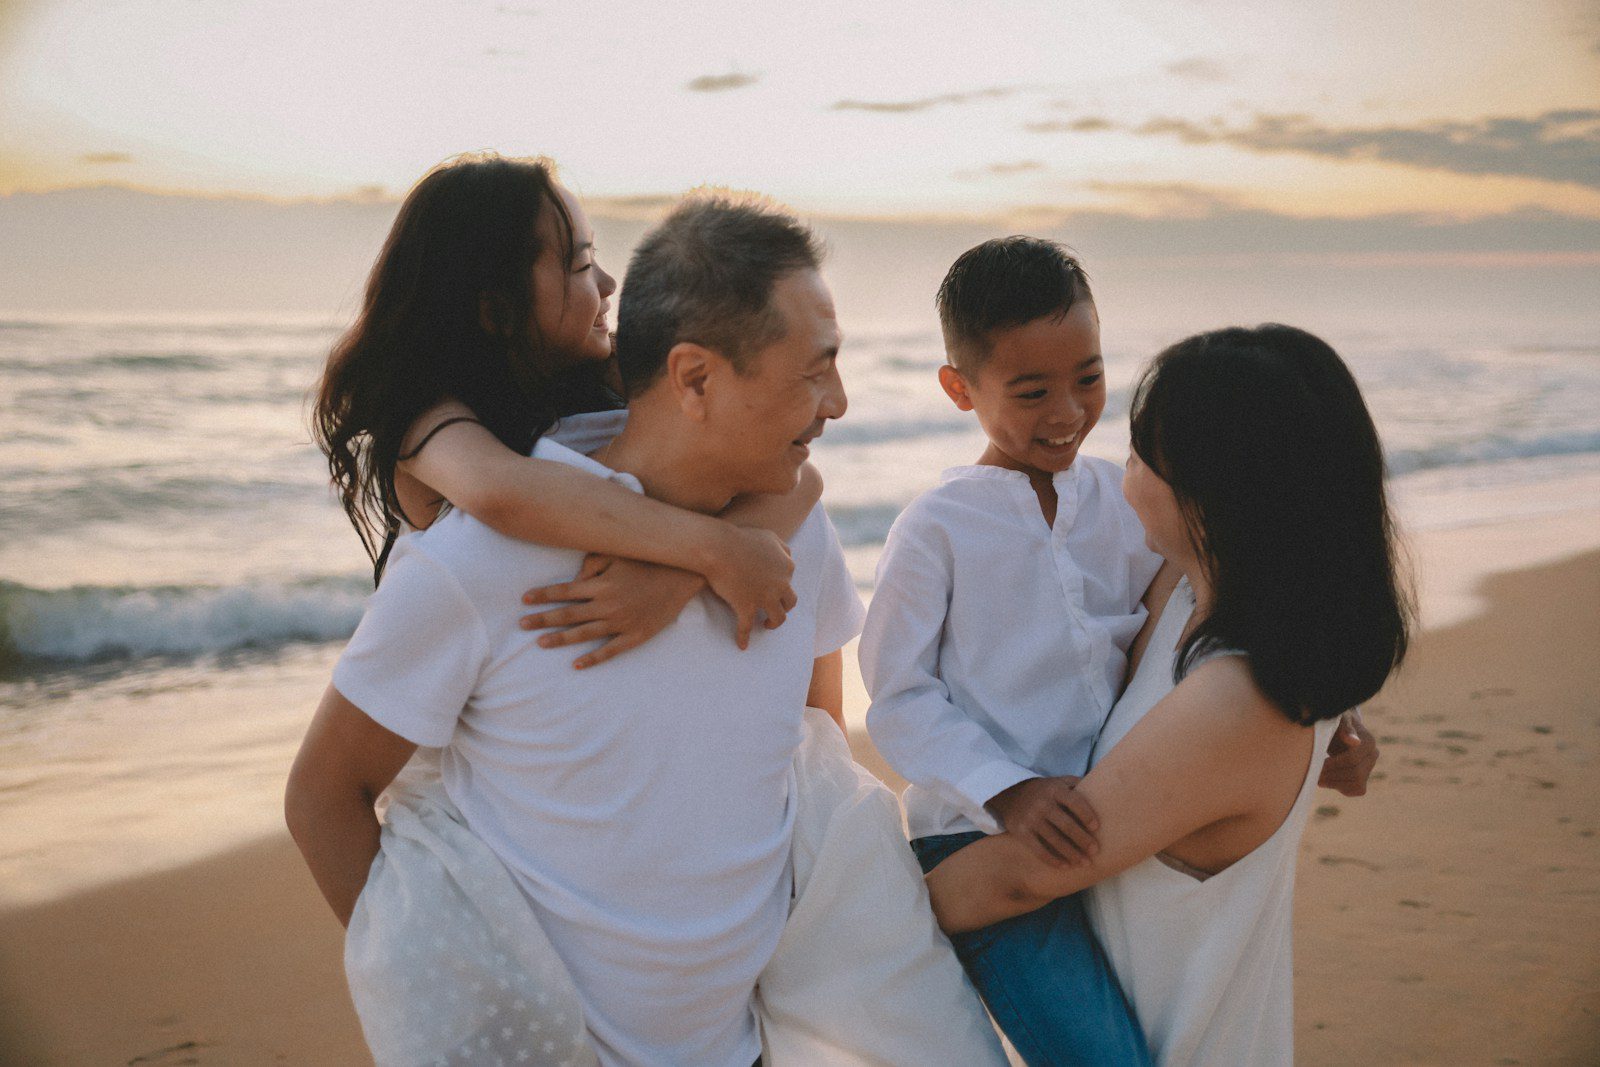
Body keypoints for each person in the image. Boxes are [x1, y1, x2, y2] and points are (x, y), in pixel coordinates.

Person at [288, 195, 1005, 1066]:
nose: (841, 403)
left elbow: (808, 750)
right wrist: (441, 987)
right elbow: (324, 796)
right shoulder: (478, 556)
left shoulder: (790, 531)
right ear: (695, 378)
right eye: (814, 371)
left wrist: (686, 569)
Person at [862, 238, 1379, 1064]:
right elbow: (896, 695)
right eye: (1032, 391)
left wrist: (1327, 710)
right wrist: (1010, 789)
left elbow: (1245, 594)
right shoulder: (937, 527)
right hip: (980, 834)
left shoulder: (1110, 500)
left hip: (1083, 837)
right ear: (960, 389)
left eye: (1090, 380)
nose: (1068, 412)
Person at [312, 152, 819, 677]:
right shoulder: (426, 418)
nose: (608, 284)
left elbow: (796, 473)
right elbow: (500, 491)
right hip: (460, 720)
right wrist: (717, 551)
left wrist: (676, 581)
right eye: (579, 265)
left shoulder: (612, 372)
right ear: (494, 308)